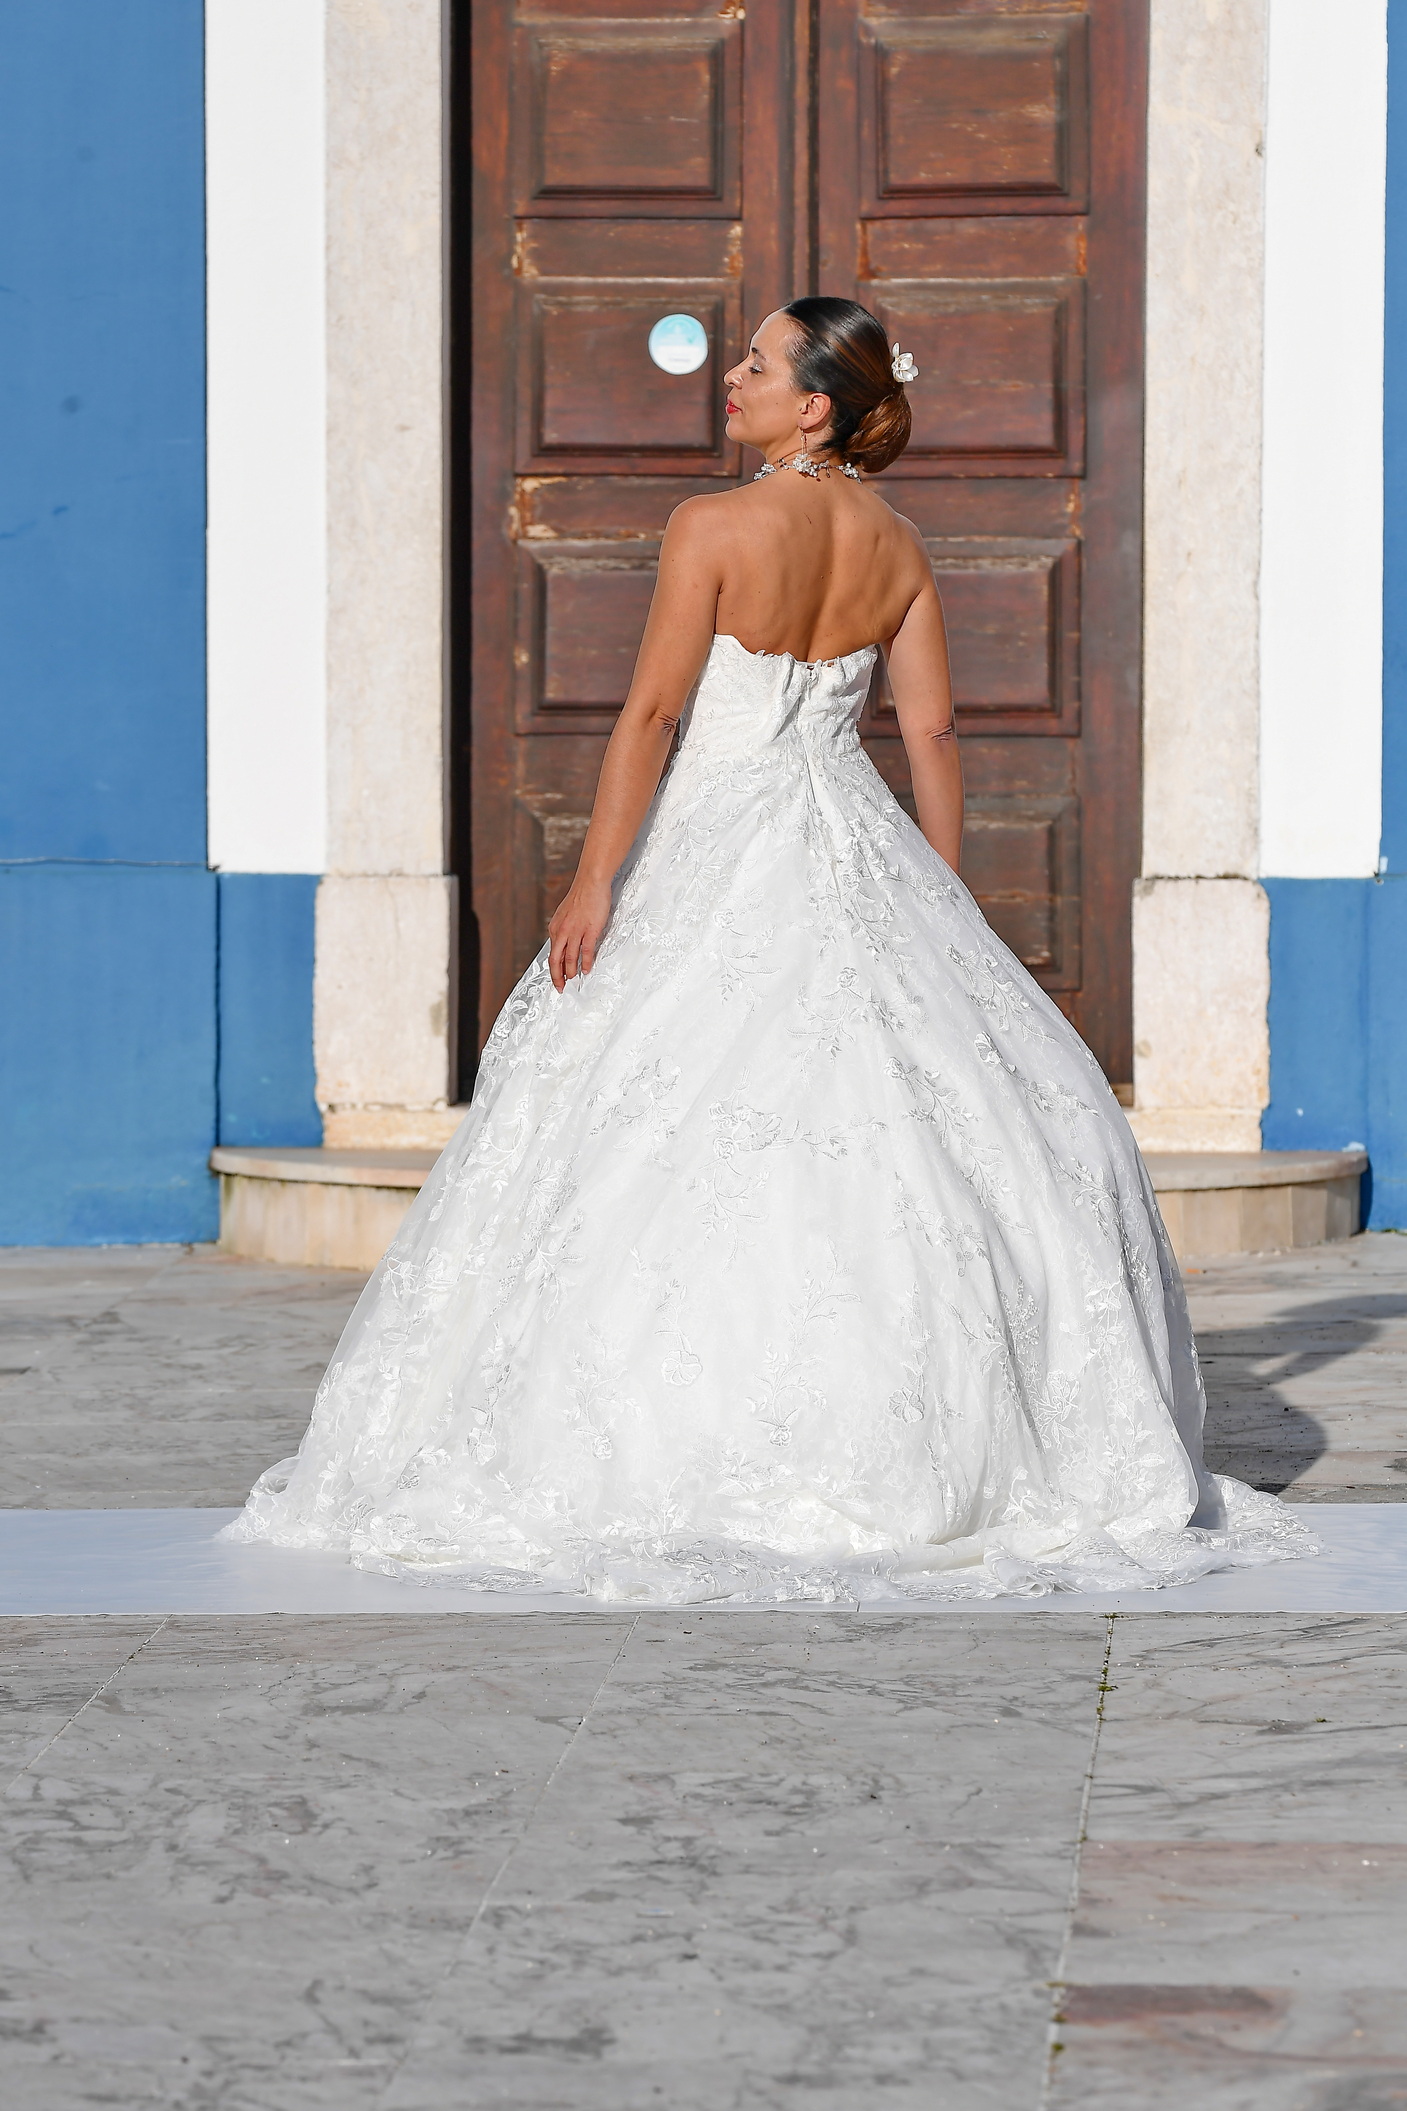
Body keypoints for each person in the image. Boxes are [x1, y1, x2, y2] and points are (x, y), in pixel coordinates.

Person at [223, 298, 1308, 1602]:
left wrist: (593, 880)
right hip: (857, 842)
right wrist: (942, 903)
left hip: (719, 838)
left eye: (755, 362)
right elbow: (935, 737)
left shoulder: (713, 526)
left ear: (815, 405)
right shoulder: (897, 543)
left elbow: (653, 714)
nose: (730, 377)